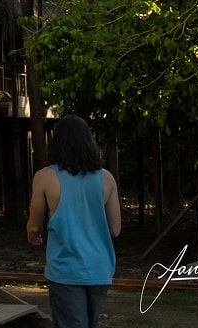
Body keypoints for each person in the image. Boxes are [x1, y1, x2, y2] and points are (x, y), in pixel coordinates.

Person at [27, 115, 121, 328]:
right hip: (100, 269)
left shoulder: (44, 177)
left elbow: (34, 225)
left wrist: (32, 235)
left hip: (66, 270)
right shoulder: (107, 179)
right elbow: (115, 229)